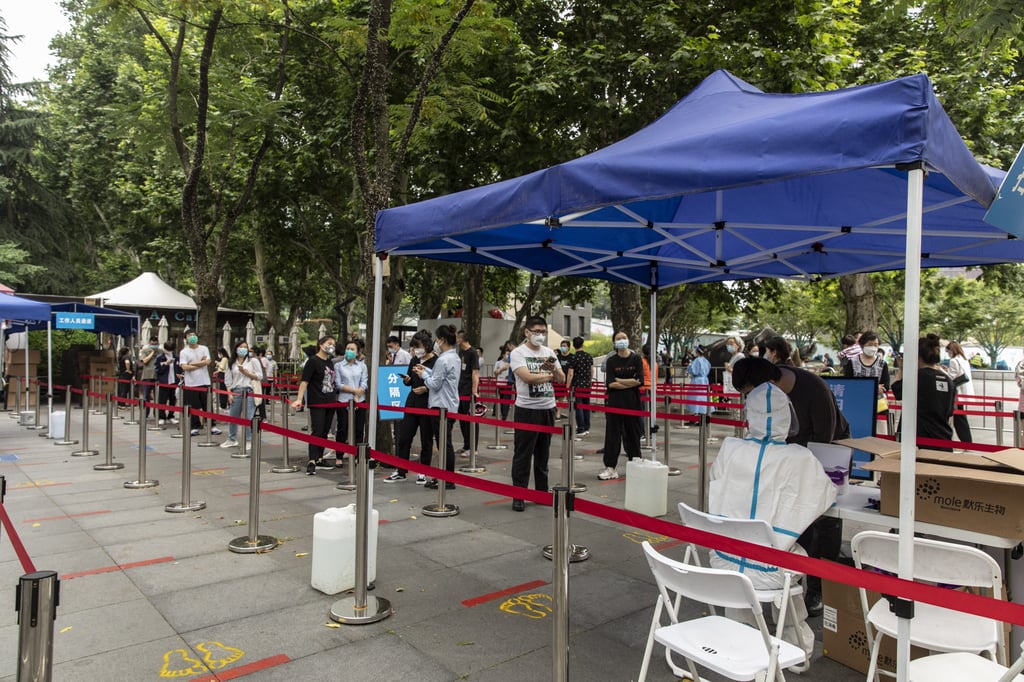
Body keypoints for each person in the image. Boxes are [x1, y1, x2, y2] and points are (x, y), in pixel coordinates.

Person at [709, 381, 837, 658]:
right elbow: (824, 496)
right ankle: (795, 644)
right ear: (788, 417)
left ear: (748, 416)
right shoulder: (799, 458)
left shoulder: (730, 449)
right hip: (773, 572)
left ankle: (740, 635)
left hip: (724, 561)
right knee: (792, 550)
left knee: (747, 545)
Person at [729, 355, 851, 615]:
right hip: (789, 456)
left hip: (822, 454)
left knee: (822, 521)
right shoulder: (769, 392)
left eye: (752, 394)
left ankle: (820, 587)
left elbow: (824, 440)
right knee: (792, 521)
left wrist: (805, 475)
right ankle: (790, 576)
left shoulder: (813, 389)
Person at [508, 316, 564, 511]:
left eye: (543, 332)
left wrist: (552, 373)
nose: (540, 335)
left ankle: (541, 492)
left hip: (548, 408)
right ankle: (519, 495)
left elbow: (561, 378)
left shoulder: (549, 352)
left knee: (543, 454)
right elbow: (528, 378)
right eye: (537, 332)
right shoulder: (518, 353)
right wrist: (548, 375)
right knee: (523, 455)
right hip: (526, 410)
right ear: (527, 332)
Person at [412, 325, 460, 490]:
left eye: (437, 339)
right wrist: (427, 370)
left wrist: (423, 374)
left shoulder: (443, 359)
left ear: (442, 340)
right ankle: (445, 477)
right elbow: (442, 377)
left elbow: (435, 383)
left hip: (440, 405)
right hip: (450, 404)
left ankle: (446, 479)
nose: (435, 343)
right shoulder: (454, 357)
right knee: (445, 442)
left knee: (444, 444)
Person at [384, 332, 435, 483]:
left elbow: (438, 383)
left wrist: (426, 388)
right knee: (404, 437)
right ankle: (401, 469)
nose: (416, 350)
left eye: (418, 346)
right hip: (412, 401)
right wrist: (407, 380)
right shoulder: (414, 360)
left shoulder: (436, 361)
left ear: (426, 346)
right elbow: (409, 380)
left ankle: (423, 470)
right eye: (414, 347)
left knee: (426, 438)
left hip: (427, 403)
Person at [891, 333, 955, 450]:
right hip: (943, 439)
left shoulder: (917, 377)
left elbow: (897, 390)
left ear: (917, 356)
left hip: (918, 441)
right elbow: (949, 413)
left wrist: (901, 369)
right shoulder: (948, 380)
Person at [598, 331, 644, 480]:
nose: (622, 341)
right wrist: (630, 382)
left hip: (633, 403)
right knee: (613, 435)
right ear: (614, 342)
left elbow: (639, 381)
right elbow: (611, 384)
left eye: (624, 338)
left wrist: (621, 381)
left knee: (633, 434)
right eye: (618, 339)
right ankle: (610, 467)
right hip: (615, 403)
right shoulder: (611, 361)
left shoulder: (636, 359)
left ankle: (635, 463)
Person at [291, 336, 338, 475]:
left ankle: (320, 458)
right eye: (329, 344)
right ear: (321, 344)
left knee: (325, 431)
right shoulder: (313, 361)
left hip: (330, 400)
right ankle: (312, 460)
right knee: (317, 430)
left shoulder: (330, 362)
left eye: (333, 345)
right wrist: (299, 399)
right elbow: (304, 381)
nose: (331, 347)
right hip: (317, 401)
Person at [220, 341, 262, 448]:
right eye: (241, 347)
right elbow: (228, 380)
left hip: (250, 390)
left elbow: (259, 376)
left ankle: (249, 439)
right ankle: (232, 438)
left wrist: (247, 373)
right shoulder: (231, 363)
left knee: (248, 417)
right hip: (236, 391)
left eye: (245, 347)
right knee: (233, 415)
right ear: (236, 349)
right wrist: (229, 394)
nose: (243, 349)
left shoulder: (253, 361)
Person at [179, 333, 222, 437]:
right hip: (190, 383)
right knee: (192, 406)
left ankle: (212, 425)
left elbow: (207, 361)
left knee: (207, 405)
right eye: (189, 336)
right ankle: (194, 427)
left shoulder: (204, 348)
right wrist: (199, 363)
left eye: (194, 335)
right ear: (186, 339)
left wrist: (192, 363)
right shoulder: (184, 352)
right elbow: (184, 367)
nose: (192, 337)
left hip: (204, 381)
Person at [843, 330, 891, 421]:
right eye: (870, 344)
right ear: (862, 345)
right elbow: (849, 384)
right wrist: (873, 387)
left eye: (876, 344)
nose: (873, 347)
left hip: (878, 407)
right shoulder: (852, 363)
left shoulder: (882, 364)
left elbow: (885, 386)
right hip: (857, 404)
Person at [334, 339, 368, 453]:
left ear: (358, 352)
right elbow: (338, 384)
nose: (349, 351)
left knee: (359, 429)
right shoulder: (339, 366)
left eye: (352, 349)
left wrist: (358, 395)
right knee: (342, 428)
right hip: (344, 400)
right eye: (347, 349)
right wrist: (355, 392)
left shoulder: (362, 366)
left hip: (360, 400)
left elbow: (364, 382)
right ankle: (339, 454)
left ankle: (358, 455)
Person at [455, 329, 480, 456]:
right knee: (463, 419)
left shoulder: (473, 353)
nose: (455, 339)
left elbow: (475, 372)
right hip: (460, 389)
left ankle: (473, 448)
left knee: (471, 420)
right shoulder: (460, 352)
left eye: (457, 337)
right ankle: (466, 445)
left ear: (461, 339)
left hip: (469, 390)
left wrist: (474, 390)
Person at [565, 336, 594, 436]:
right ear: (583, 344)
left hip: (577, 385)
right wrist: (589, 381)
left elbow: (570, 374)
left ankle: (580, 427)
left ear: (573, 345)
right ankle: (587, 427)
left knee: (579, 407)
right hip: (587, 384)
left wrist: (567, 386)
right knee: (586, 406)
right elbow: (591, 370)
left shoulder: (573, 357)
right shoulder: (588, 356)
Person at [945, 341, 973, 443]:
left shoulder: (954, 361)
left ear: (951, 350)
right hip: (964, 392)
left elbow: (950, 377)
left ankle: (966, 441)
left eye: (948, 351)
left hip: (957, 393)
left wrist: (942, 371)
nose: (948, 354)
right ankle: (966, 441)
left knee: (959, 418)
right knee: (960, 417)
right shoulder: (964, 360)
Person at [154, 341, 179, 425]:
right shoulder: (160, 357)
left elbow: (179, 368)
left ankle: (171, 415)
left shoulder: (176, 357)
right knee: (162, 400)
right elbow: (157, 370)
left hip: (174, 381)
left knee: (173, 399)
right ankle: (161, 416)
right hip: (164, 381)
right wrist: (166, 364)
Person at [138, 335, 161, 419]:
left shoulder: (160, 351)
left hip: (157, 376)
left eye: (155, 343)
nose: (154, 345)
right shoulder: (145, 350)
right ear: (149, 343)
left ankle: (157, 414)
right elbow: (144, 361)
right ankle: (145, 413)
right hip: (147, 375)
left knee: (157, 396)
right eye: (152, 343)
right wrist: (151, 353)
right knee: (146, 395)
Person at [685, 344, 711, 417]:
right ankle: (702, 414)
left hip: (697, 381)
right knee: (703, 398)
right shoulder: (706, 361)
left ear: (697, 351)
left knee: (695, 398)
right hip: (705, 380)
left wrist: (689, 367)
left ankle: (695, 415)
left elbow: (694, 371)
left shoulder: (697, 360)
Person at [493, 341, 514, 421]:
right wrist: (498, 372)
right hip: (499, 383)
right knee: (501, 400)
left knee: (506, 400)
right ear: (503, 355)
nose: (508, 356)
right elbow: (495, 372)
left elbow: (509, 367)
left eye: (509, 354)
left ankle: (504, 416)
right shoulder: (498, 362)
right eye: (507, 354)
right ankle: (502, 414)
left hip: (508, 383)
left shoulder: (511, 360)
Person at [555, 340, 572, 419]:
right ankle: (557, 413)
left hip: (568, 380)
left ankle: (570, 414)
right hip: (558, 380)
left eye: (564, 346)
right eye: (562, 346)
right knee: (558, 398)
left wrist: (568, 384)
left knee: (568, 399)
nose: (563, 347)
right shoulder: (557, 357)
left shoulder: (572, 357)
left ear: (568, 347)